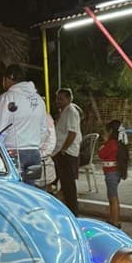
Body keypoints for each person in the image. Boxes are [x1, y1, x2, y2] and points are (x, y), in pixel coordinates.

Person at [0, 64, 48, 186]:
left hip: (13, 152)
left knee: (13, 193)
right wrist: (35, 143)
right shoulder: (39, 100)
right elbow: (44, 129)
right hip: (34, 153)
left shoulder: (6, 98)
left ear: (7, 79)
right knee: (30, 193)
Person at [53, 88, 82, 216]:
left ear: (69, 99)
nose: (58, 101)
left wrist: (64, 149)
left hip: (67, 152)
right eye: (57, 98)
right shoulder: (64, 111)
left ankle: (73, 211)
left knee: (69, 185)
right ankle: (67, 209)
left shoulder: (71, 111)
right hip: (61, 151)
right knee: (64, 183)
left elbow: (72, 133)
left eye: (61, 98)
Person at [98, 120, 124, 228]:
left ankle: (115, 220)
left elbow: (101, 153)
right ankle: (113, 218)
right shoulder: (118, 143)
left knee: (113, 197)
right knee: (112, 196)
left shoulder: (111, 144)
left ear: (110, 131)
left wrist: (104, 143)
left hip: (111, 173)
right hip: (114, 172)